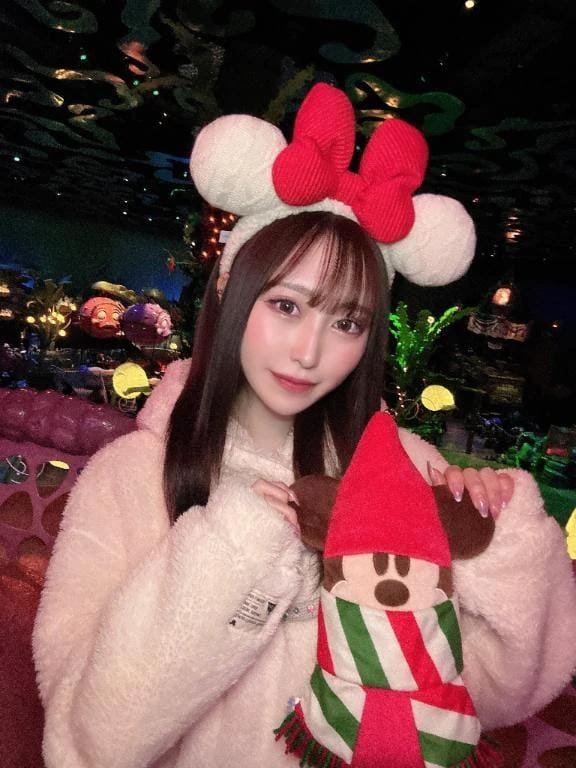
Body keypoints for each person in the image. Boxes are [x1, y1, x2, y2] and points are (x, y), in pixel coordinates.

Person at [33, 84, 576, 768]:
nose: (310, 352)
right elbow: (84, 747)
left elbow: (494, 693)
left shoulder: (405, 472)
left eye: (347, 322)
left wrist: (495, 539)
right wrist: (235, 549)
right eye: (287, 306)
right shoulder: (134, 478)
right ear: (230, 290)